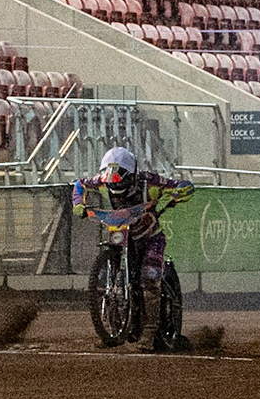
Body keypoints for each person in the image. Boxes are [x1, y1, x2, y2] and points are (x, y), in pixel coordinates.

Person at [72, 146, 194, 351]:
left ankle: (149, 333)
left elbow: (181, 186)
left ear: (131, 174)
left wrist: (178, 193)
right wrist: (78, 203)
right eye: (109, 175)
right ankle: (113, 329)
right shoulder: (102, 182)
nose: (113, 180)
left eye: (118, 176)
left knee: (150, 279)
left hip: (150, 238)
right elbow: (80, 184)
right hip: (121, 234)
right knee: (116, 282)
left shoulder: (150, 182)